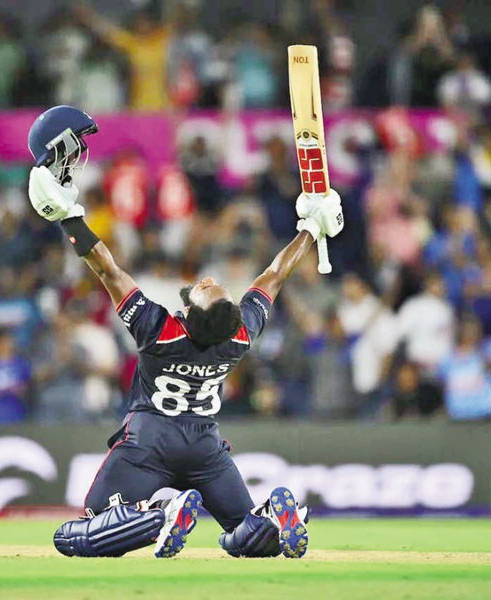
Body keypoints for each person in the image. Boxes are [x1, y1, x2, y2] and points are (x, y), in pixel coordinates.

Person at [26, 106, 343, 559]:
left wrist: (67, 219)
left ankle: (159, 514)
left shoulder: (159, 330)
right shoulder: (239, 334)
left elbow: (107, 269)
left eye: (208, 290)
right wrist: (311, 227)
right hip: (204, 449)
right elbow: (274, 276)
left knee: (77, 532)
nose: (210, 282)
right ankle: (270, 519)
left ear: (190, 312)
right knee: (247, 537)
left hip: (149, 442)